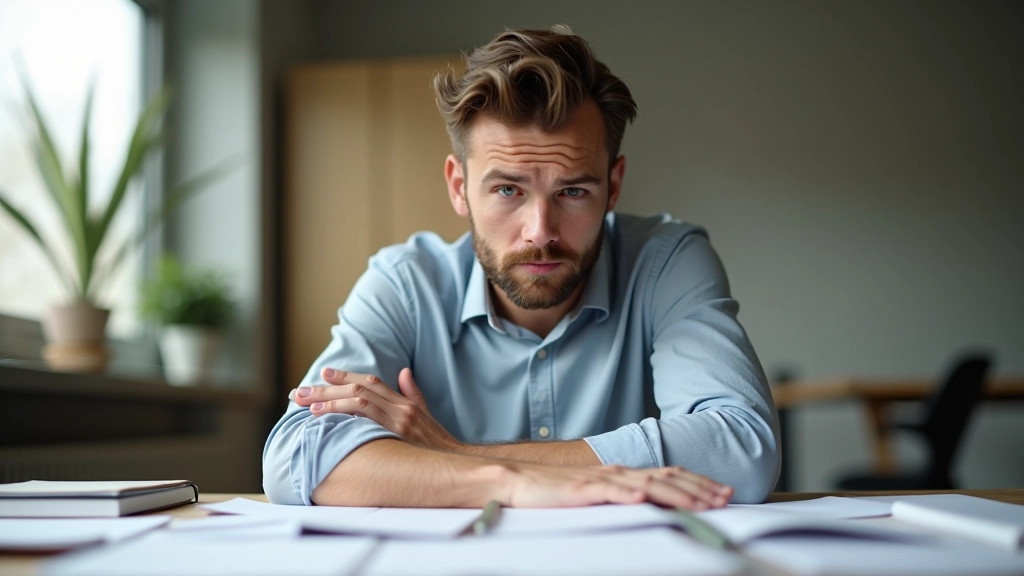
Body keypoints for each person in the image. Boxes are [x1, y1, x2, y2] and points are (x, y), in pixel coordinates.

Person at [263, 25, 780, 510]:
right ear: (460, 187)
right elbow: (294, 457)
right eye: (508, 189)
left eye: (573, 191)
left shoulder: (666, 261)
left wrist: (454, 455)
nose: (540, 231)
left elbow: (742, 449)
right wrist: (506, 481)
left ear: (613, 186)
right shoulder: (406, 283)